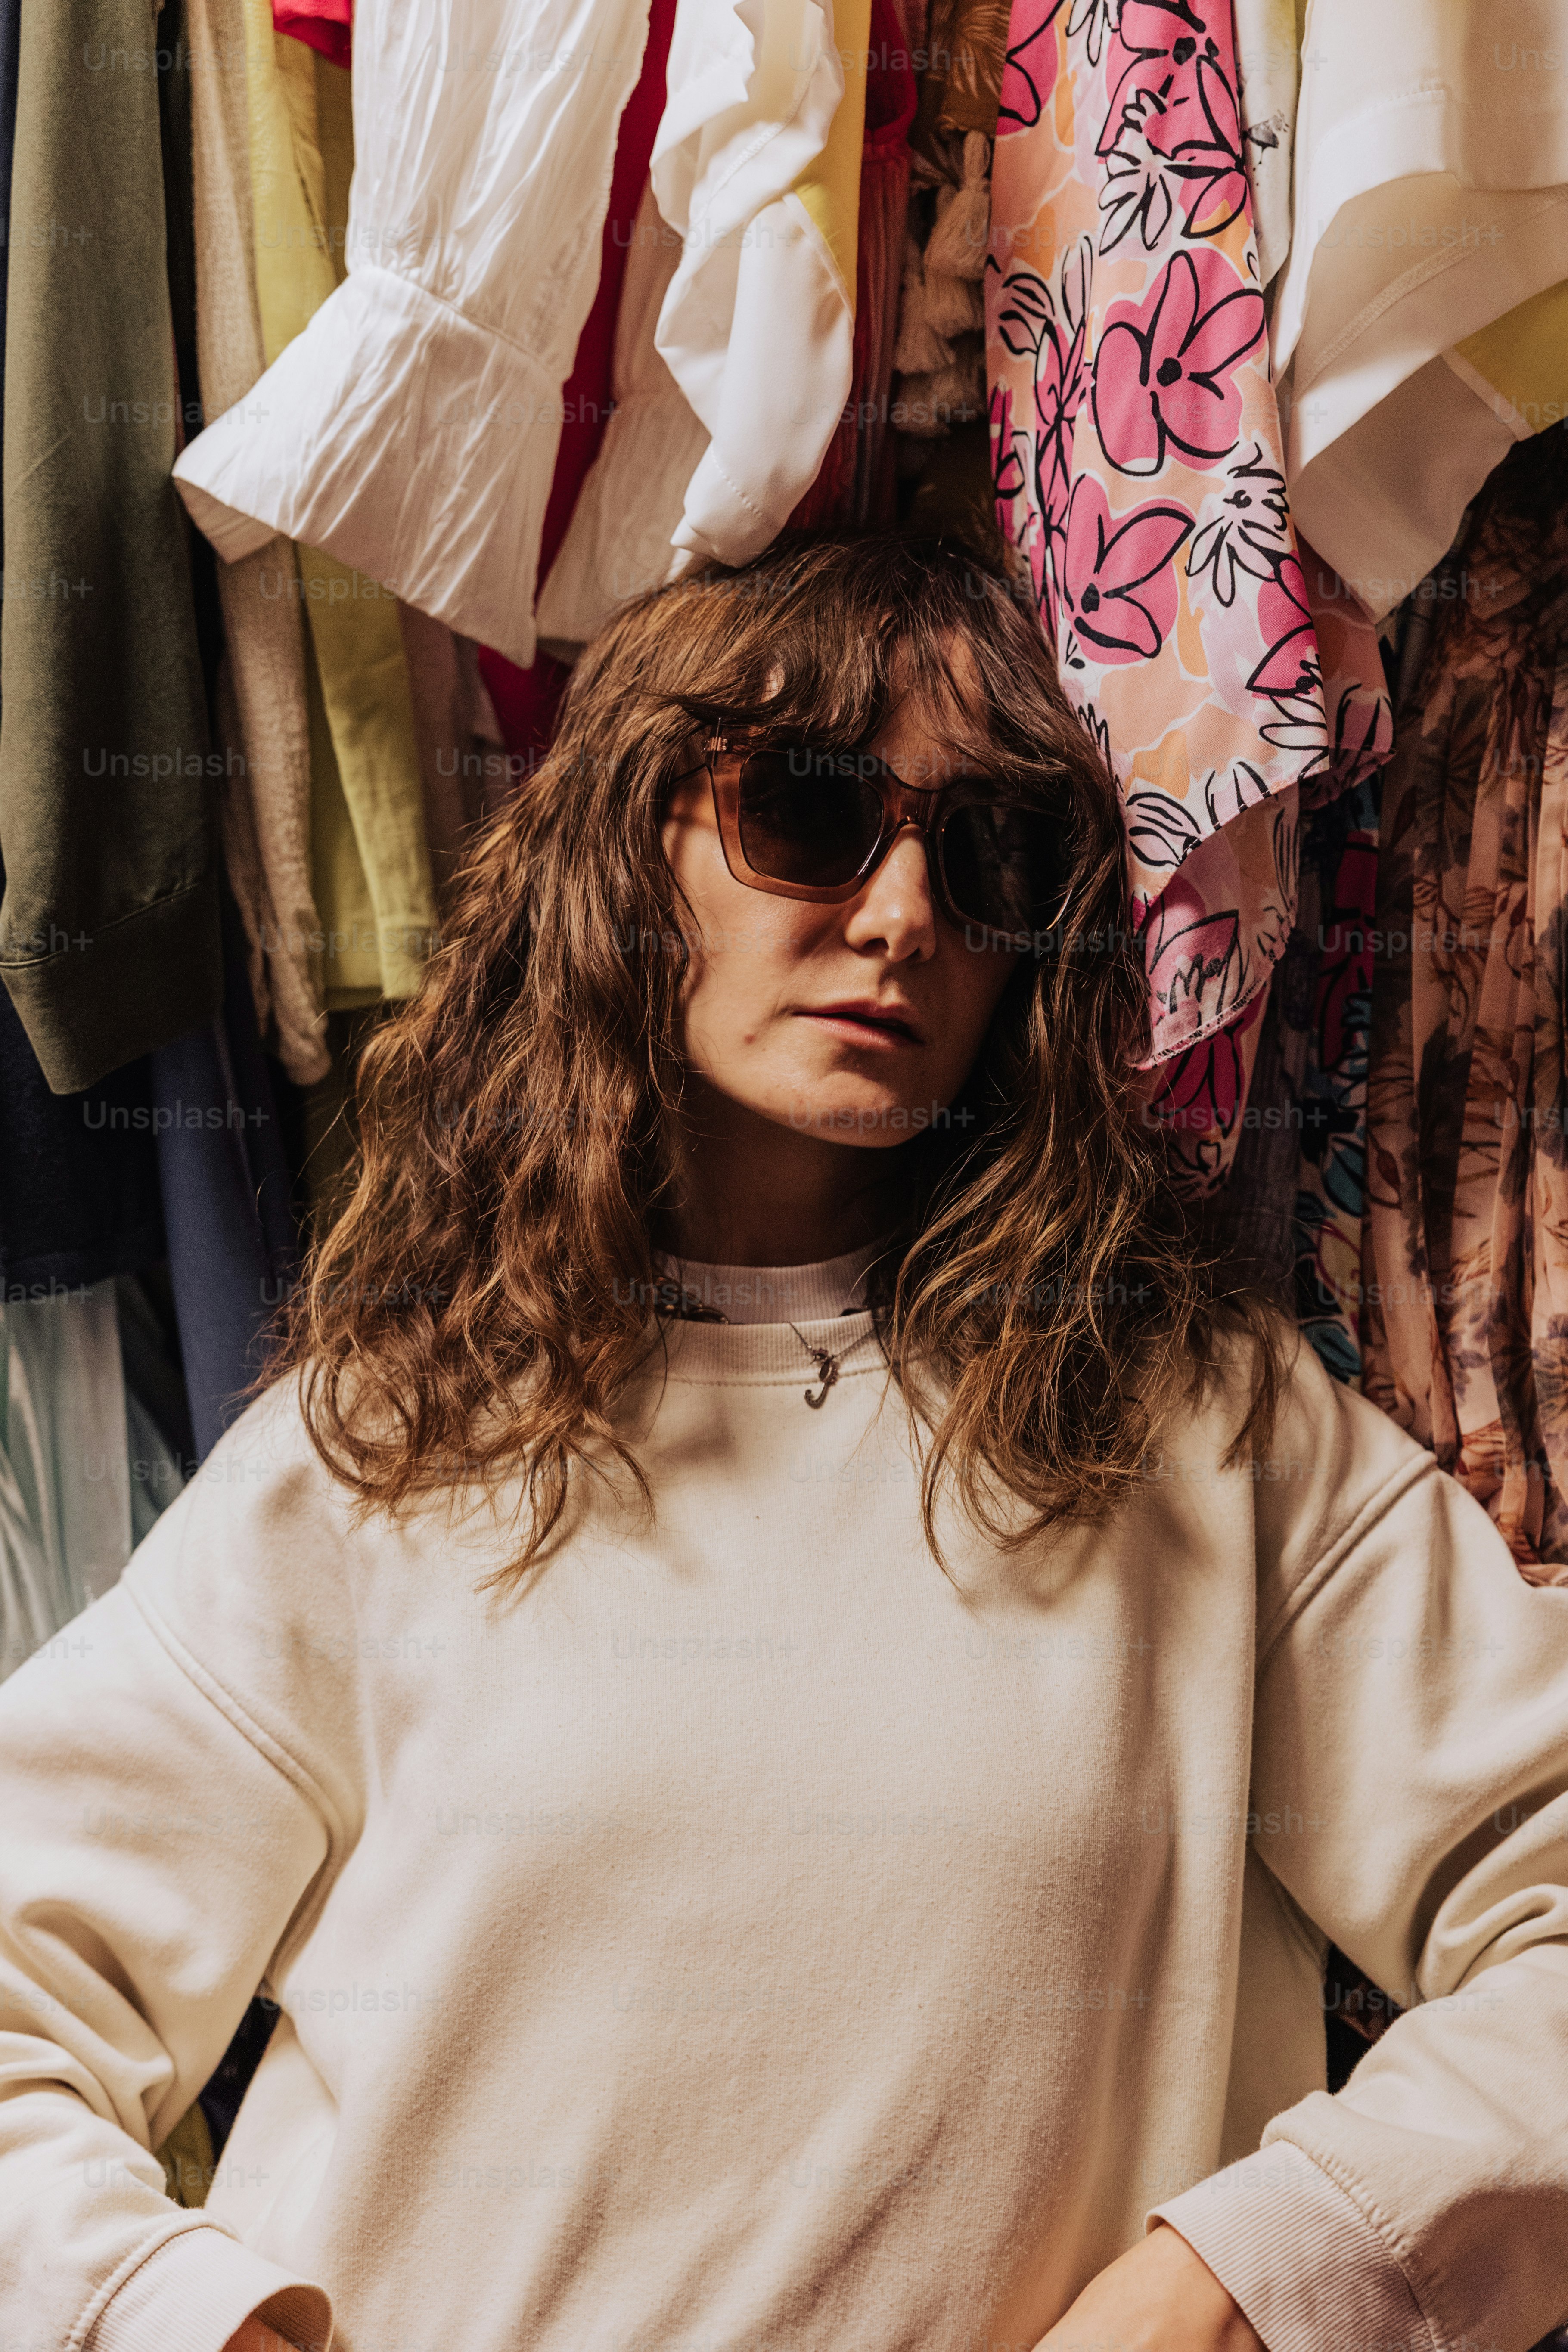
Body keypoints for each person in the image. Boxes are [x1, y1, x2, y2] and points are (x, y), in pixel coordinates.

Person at [2, 531, 1567, 2352]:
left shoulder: (1194, 1431)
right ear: (632, 851)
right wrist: (191, 2321)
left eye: (985, 854)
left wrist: (1247, 2278)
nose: (903, 915)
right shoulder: (385, 1451)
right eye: (811, 814)